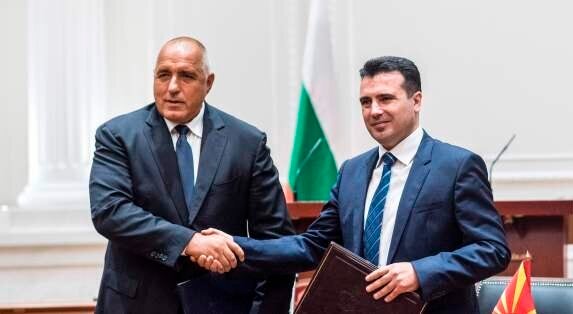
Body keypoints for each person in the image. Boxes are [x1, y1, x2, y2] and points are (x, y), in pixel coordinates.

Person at [200, 56, 511, 313]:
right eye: (366, 101)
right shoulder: (352, 171)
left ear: (416, 101)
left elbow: (492, 250)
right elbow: (311, 247)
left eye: (385, 99)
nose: (374, 111)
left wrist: (420, 272)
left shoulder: (456, 166)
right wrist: (236, 246)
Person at [89, 36, 295, 314]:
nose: (173, 87)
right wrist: (189, 242)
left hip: (221, 304)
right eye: (164, 75)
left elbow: (276, 243)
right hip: (135, 304)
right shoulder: (118, 136)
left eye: (186, 76)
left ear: (208, 83)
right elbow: (111, 212)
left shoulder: (247, 143)